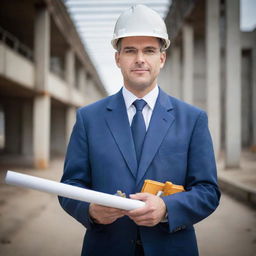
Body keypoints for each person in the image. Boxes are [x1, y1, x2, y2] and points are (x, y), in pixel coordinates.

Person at [59, 4, 220, 256]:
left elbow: (208, 191)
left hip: (172, 247)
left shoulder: (193, 119)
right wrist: (90, 210)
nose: (140, 59)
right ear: (118, 58)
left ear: (162, 58)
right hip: (106, 247)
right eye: (130, 50)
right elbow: (71, 184)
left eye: (149, 50)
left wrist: (167, 208)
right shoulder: (88, 118)